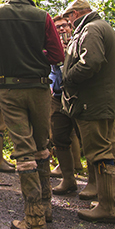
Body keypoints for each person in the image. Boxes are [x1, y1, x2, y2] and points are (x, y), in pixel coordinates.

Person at [0, 0, 64, 229]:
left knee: (23, 152)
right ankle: (46, 207)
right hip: (39, 89)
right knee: (42, 145)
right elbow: (57, 55)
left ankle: (34, 222)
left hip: (11, 89)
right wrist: (38, 57)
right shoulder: (43, 16)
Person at [61, 0, 115, 223]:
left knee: (99, 153)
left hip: (92, 102)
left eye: (69, 16)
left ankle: (107, 207)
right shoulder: (102, 26)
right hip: (102, 101)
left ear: (77, 13)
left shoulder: (90, 29)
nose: (68, 21)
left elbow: (91, 62)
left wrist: (67, 78)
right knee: (111, 151)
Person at [49, 14, 80, 195]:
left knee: (81, 134)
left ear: (70, 27)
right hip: (57, 96)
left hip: (76, 96)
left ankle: (90, 178)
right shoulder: (52, 44)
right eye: (58, 27)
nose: (61, 29)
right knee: (58, 135)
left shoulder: (78, 42)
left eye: (64, 26)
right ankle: (68, 178)